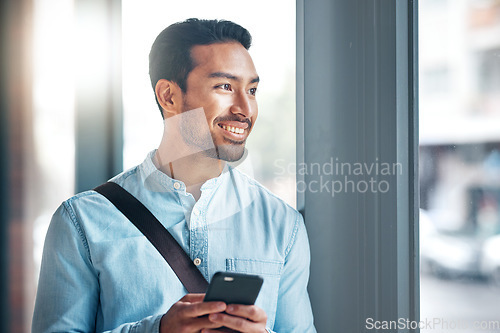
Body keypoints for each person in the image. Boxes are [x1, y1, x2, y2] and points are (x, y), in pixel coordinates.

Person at [32, 18, 316, 333]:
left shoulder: (282, 224)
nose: (245, 108)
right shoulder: (81, 221)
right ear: (169, 96)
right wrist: (158, 330)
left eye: (251, 89)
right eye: (224, 86)